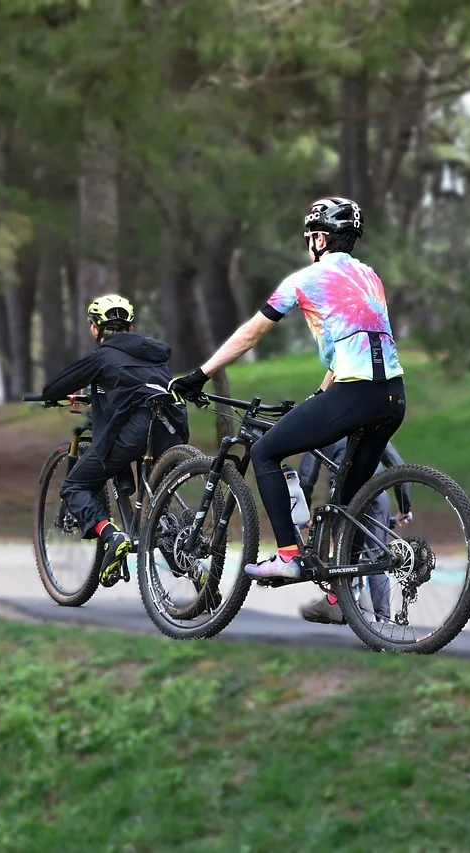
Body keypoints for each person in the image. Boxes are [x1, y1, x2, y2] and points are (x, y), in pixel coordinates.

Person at [169, 196, 405, 580]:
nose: (309, 243)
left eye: (311, 237)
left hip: (356, 394)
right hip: (393, 396)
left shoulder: (306, 279)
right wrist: (321, 396)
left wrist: (201, 373)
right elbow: (354, 346)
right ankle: (340, 593)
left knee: (264, 452)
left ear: (320, 239)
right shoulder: (369, 277)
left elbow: (251, 333)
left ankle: (288, 556)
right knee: (350, 500)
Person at [41, 294, 188, 586]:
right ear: (130, 327)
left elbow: (52, 388)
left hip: (135, 429)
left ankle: (111, 535)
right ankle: (194, 571)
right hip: (171, 427)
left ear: (96, 328)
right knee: (155, 499)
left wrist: (56, 395)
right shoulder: (155, 353)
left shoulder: (102, 356)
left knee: (74, 486)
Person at [296, 437, 412, 625]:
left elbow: (307, 476)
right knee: (377, 559)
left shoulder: (323, 430)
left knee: (343, 557)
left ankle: (336, 604)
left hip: (345, 495)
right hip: (375, 492)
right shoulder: (371, 427)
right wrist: (405, 507)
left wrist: (304, 513)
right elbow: (398, 466)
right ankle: (384, 621)